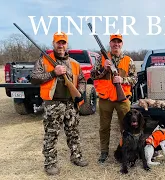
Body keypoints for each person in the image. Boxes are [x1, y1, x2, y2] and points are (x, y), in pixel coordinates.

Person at [30, 32, 88, 175]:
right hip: (53, 104)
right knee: (51, 134)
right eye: (58, 42)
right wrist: (53, 73)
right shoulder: (44, 61)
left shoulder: (74, 63)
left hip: (71, 104)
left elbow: (81, 80)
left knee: (73, 133)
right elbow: (33, 78)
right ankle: (50, 163)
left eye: (63, 42)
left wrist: (79, 93)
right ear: (53, 43)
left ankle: (76, 157)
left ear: (66, 44)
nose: (61, 45)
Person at [90, 34, 137, 163]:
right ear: (110, 44)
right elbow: (92, 75)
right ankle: (104, 152)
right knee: (104, 127)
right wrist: (103, 69)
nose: (116, 44)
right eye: (113, 42)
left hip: (122, 101)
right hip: (106, 100)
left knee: (126, 128)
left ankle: (127, 151)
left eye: (118, 42)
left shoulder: (129, 60)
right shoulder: (102, 59)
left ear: (122, 44)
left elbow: (135, 79)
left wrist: (122, 79)